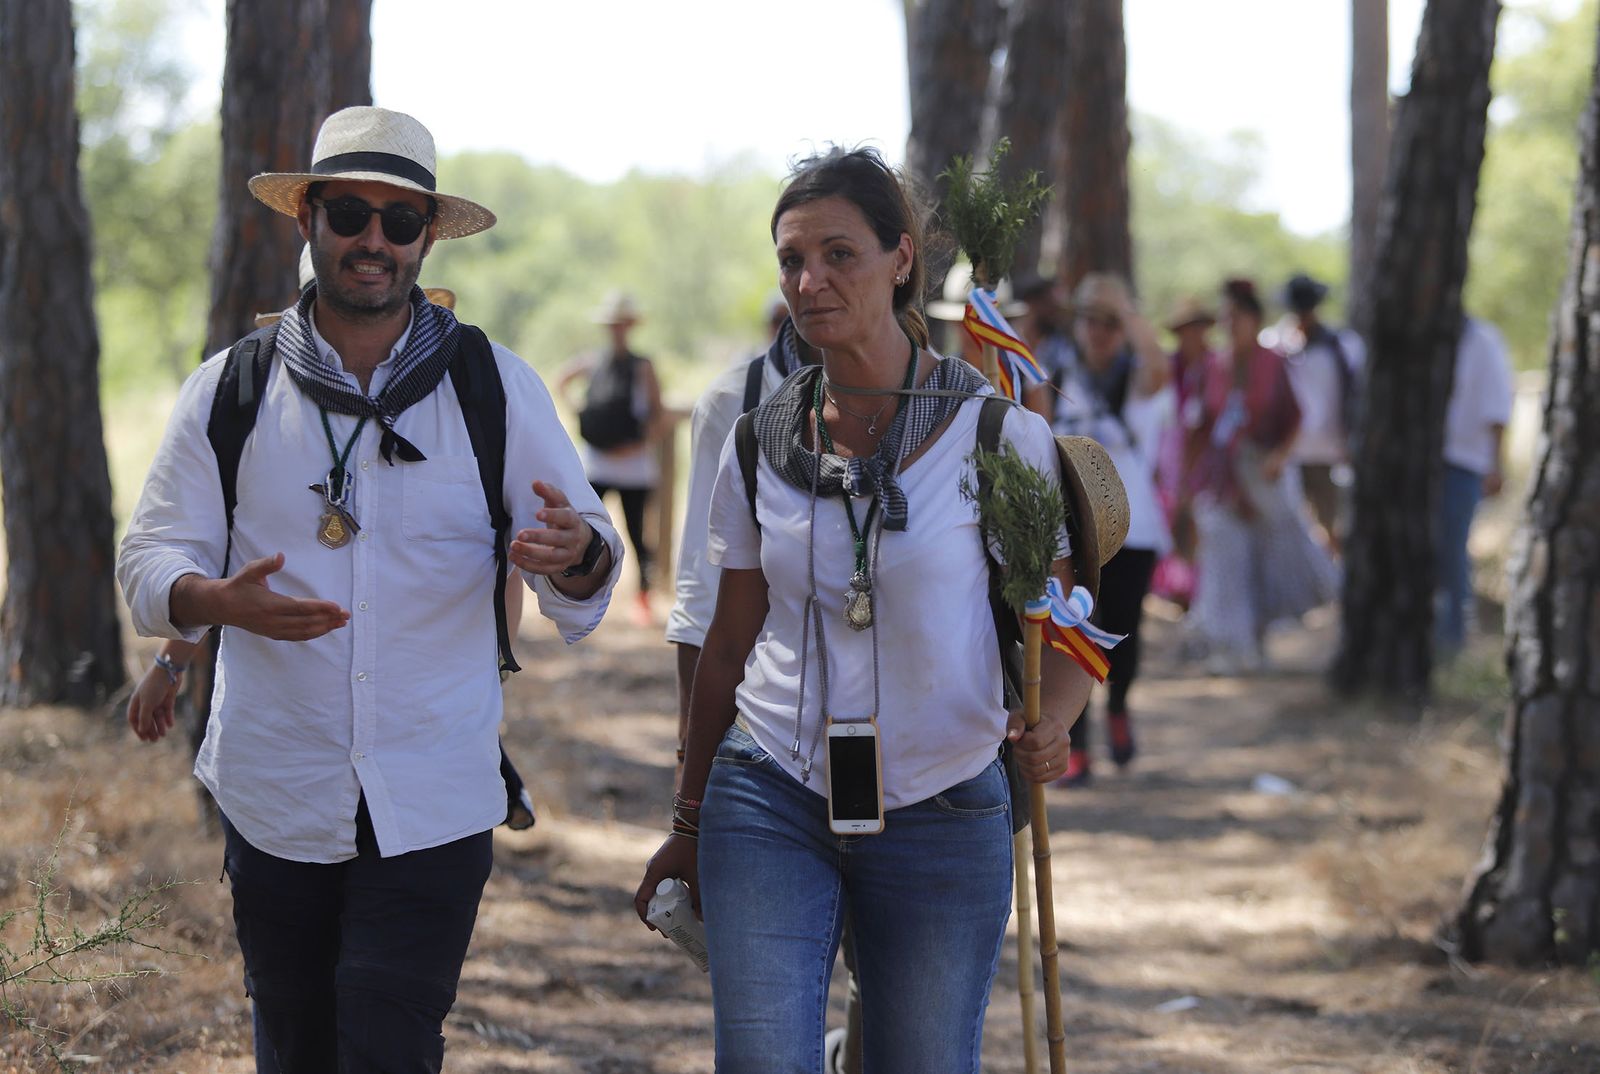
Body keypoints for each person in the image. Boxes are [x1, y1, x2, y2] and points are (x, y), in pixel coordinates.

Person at [116, 105, 621, 1074]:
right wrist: (214, 604)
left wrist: (573, 554)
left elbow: (589, 570)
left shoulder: (494, 387)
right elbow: (147, 561)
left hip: (433, 798)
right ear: (307, 217)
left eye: (400, 222)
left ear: (428, 235)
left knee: (386, 1047)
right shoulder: (231, 390)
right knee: (295, 1051)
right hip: (275, 795)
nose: (374, 242)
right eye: (351, 213)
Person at [633, 146, 1099, 1073]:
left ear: (902, 258)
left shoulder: (1000, 436)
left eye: (838, 254)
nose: (809, 282)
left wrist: (1059, 724)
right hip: (769, 790)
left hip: (946, 798)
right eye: (791, 260)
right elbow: (728, 642)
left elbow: (1064, 620)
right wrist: (687, 824)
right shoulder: (758, 441)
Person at [1025, 272, 1170, 785]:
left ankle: (1120, 708)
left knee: (1125, 632)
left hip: (1133, 529)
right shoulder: (1056, 367)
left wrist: (1124, 309)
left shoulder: (1136, 375)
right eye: (1090, 320)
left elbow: (1158, 367)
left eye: (1109, 323)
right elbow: (1033, 427)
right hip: (1071, 533)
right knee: (1073, 634)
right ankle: (1077, 741)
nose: (1099, 332)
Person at [1185, 278, 1336, 674]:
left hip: (1262, 478)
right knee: (1224, 560)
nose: (1229, 324)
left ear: (1253, 319)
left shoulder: (1275, 363)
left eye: (1236, 316)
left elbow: (1295, 417)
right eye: (1225, 317)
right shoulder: (1213, 366)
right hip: (1222, 480)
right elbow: (1202, 426)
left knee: (1265, 560)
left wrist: (1278, 458)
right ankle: (1228, 645)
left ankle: (1256, 639)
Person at [558, 290, 663, 624]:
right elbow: (561, 380)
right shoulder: (593, 361)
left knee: (636, 535)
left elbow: (656, 413)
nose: (617, 329)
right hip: (599, 463)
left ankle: (643, 597)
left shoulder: (643, 366)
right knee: (584, 527)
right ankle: (576, 593)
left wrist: (638, 442)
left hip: (634, 467)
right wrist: (580, 413)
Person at [1436, 314, 1514, 657]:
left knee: (1452, 551)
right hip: (1424, 464)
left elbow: (1497, 407)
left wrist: (1495, 464)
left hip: (1463, 462)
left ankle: (1453, 639)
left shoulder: (1482, 340)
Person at [1277, 273, 1365, 554]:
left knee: (1334, 526)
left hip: (1331, 453)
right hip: (1292, 455)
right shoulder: (1281, 348)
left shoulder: (1342, 347)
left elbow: (1357, 398)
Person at [1152, 295, 1221, 610]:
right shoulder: (1170, 367)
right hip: (1171, 456)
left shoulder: (1216, 365)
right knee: (1171, 523)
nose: (1191, 335)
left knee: (1201, 524)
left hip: (1206, 458)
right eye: (1185, 329)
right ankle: (1181, 590)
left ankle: (1203, 594)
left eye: (1197, 328)